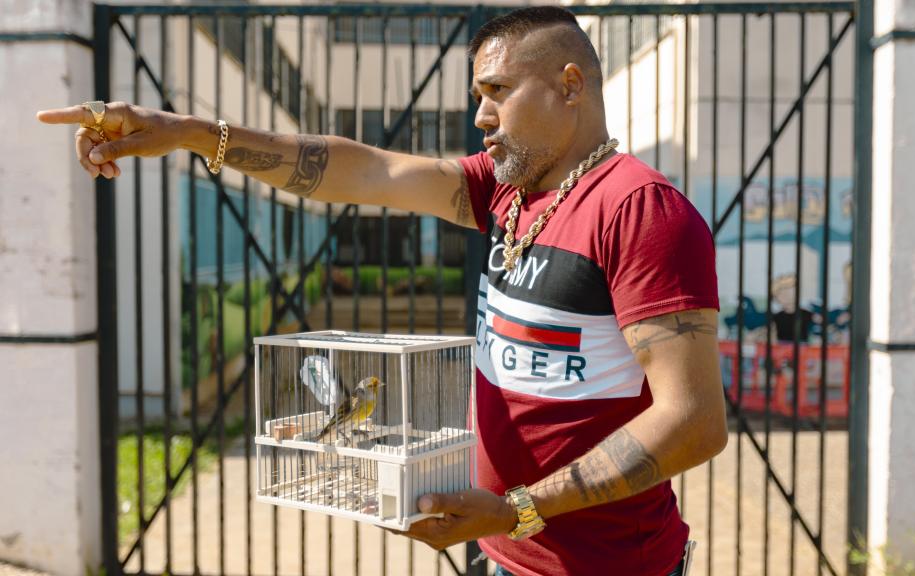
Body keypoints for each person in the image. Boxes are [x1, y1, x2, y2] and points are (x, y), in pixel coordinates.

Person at [38, 7, 727, 575]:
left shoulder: (640, 211)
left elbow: (694, 421)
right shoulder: (506, 193)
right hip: (502, 549)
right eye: (477, 99)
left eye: (497, 93)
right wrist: (191, 134)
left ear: (570, 84)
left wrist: (518, 508)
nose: (482, 119)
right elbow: (363, 171)